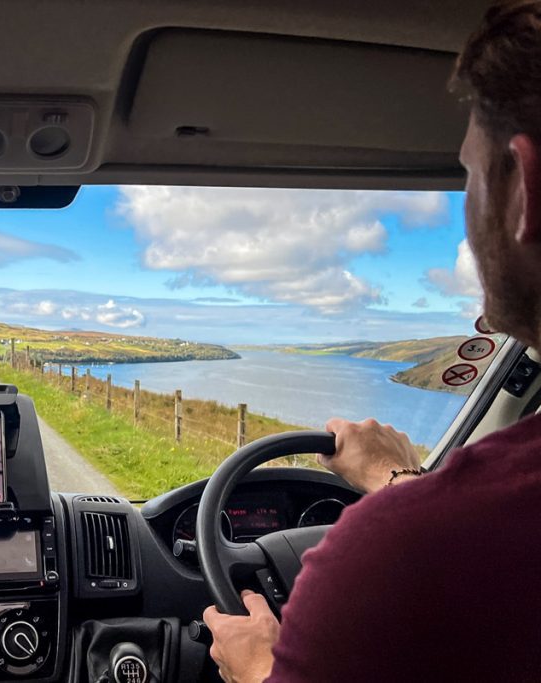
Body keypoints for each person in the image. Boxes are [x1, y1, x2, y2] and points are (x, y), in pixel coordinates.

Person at [202, 2, 541, 681]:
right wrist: (398, 482)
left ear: (524, 189)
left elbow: (452, 543)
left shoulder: (394, 557)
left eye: (469, 176)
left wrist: (256, 667)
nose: (469, 212)